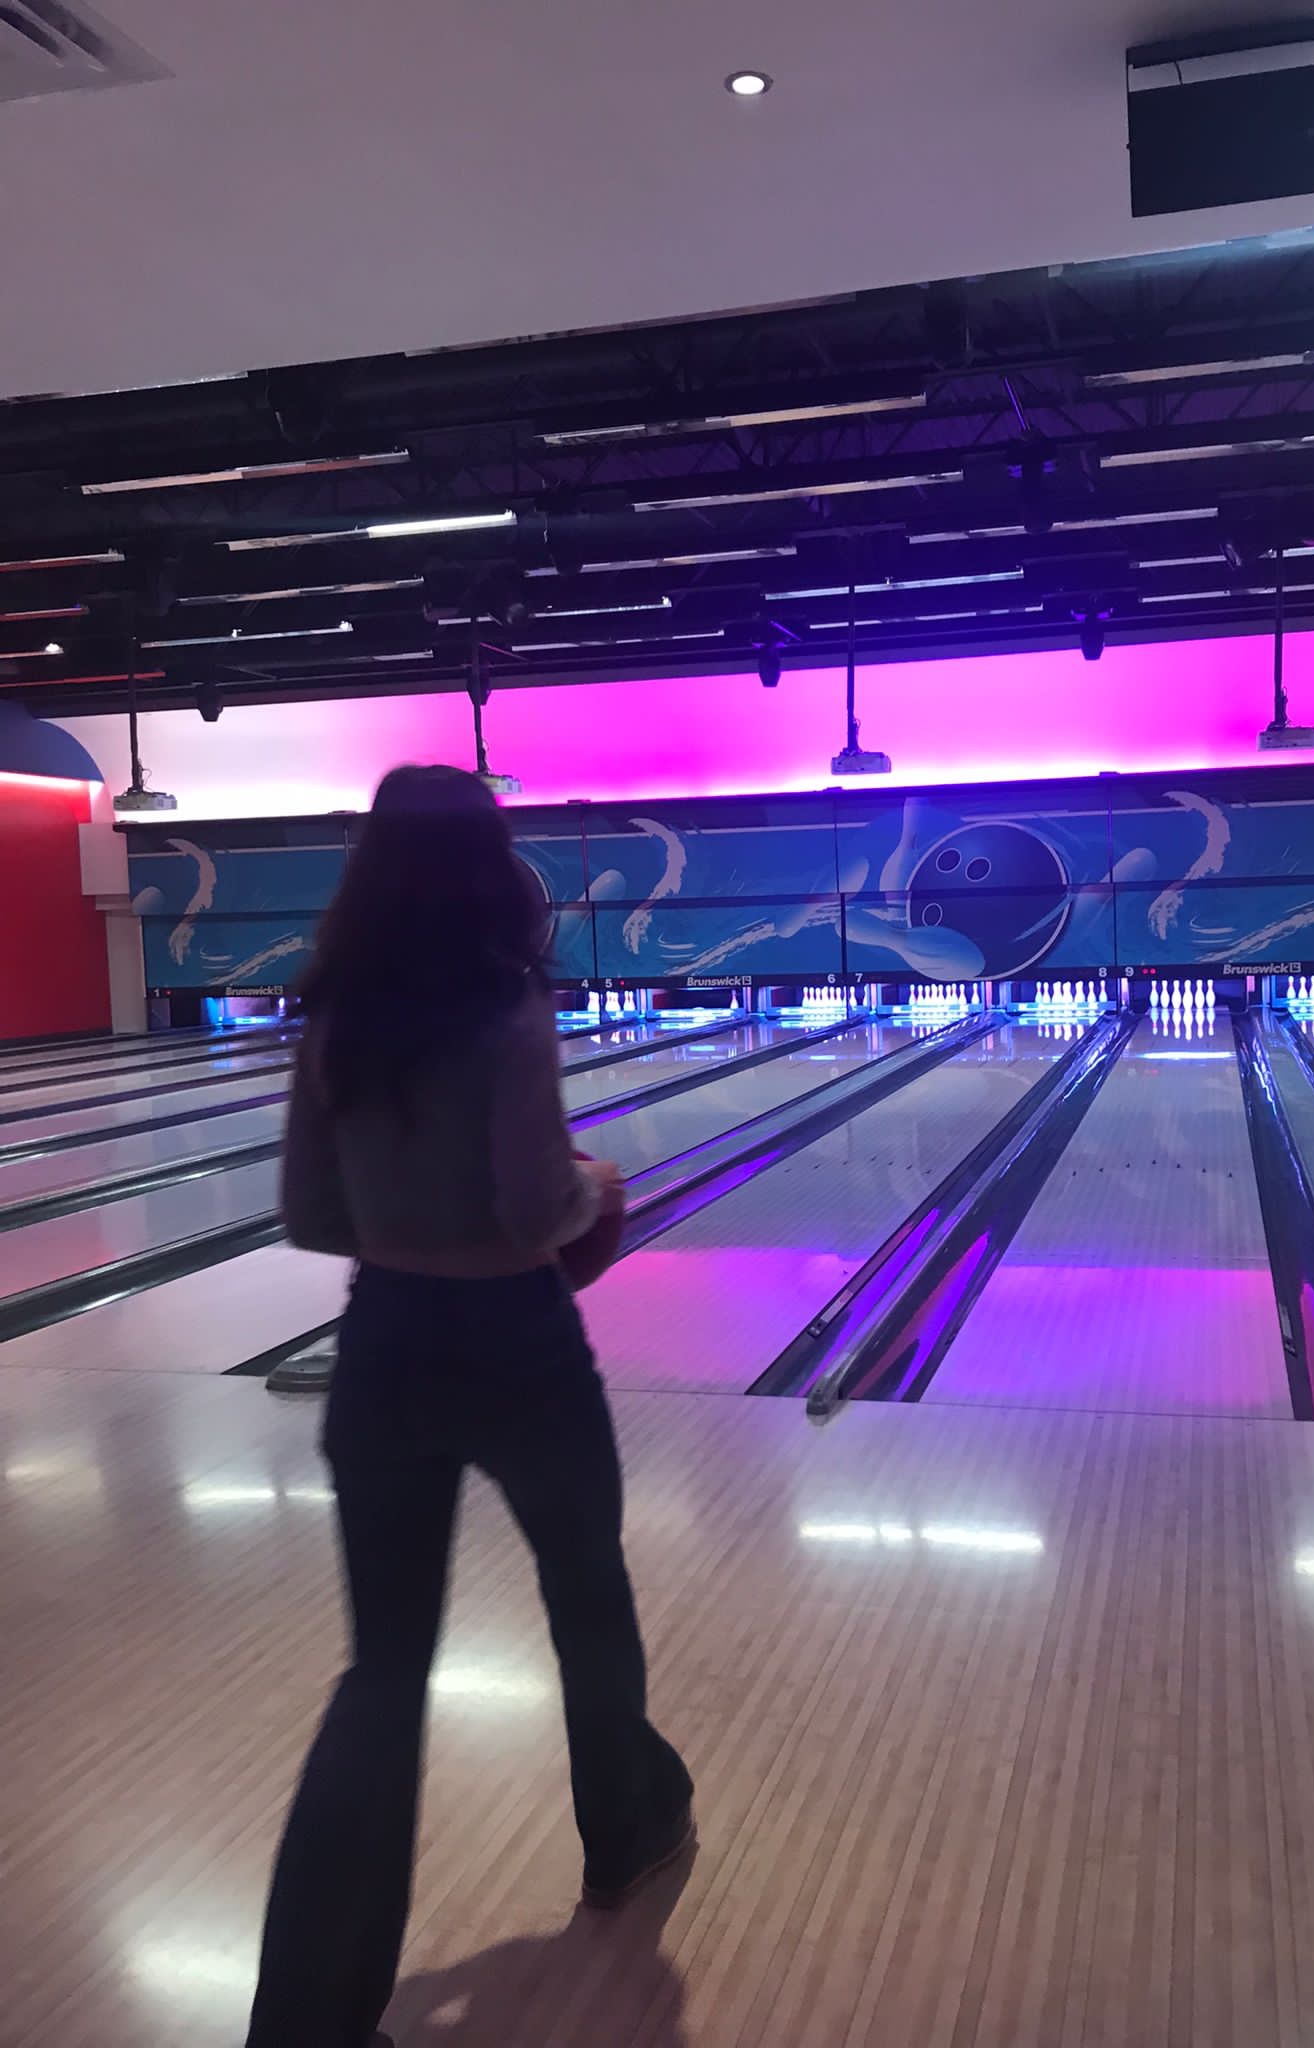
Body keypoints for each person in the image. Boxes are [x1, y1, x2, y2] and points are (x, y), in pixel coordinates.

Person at [244, 765, 693, 2048]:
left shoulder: (334, 1019)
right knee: (586, 1589)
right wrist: (597, 1184)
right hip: (517, 1344)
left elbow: (309, 1214)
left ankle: (309, 2022)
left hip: (384, 1343)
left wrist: (405, 1216)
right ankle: (626, 1828)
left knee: (382, 1671)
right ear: (493, 869)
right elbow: (532, 1207)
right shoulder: (508, 1010)